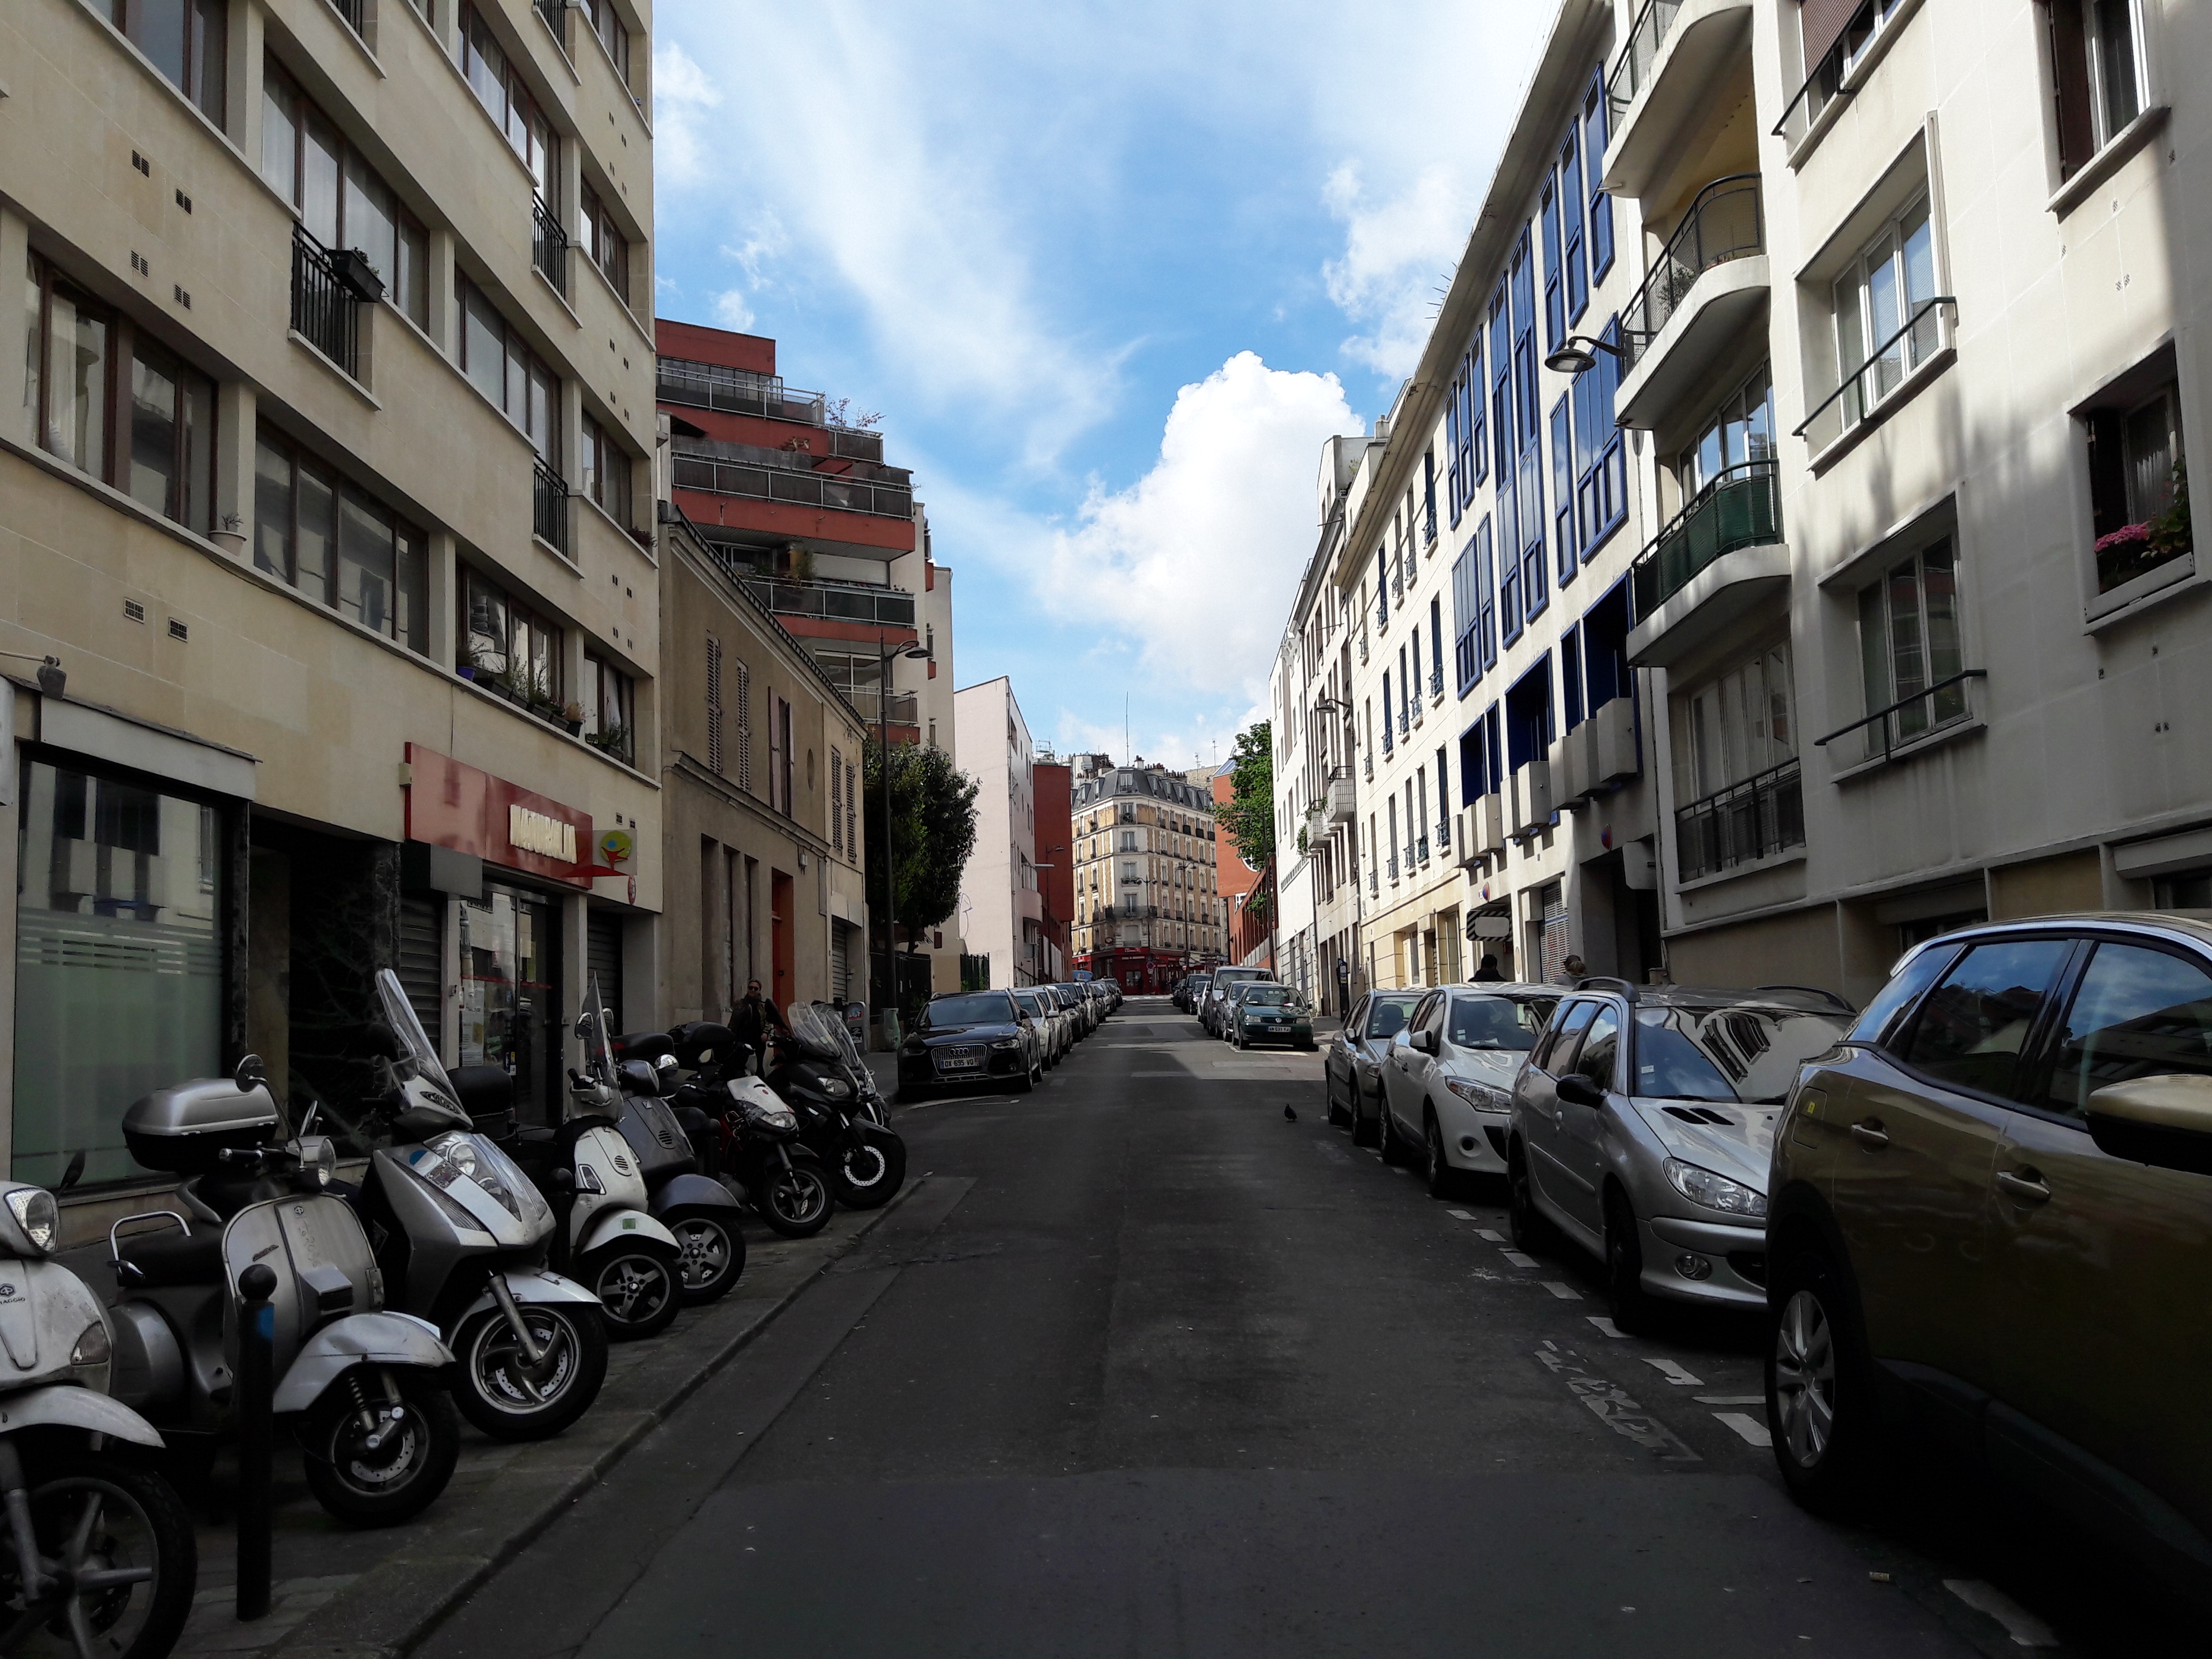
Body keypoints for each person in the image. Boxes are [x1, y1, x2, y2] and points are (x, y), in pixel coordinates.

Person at [729, 979, 789, 1073]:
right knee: (740, 1064)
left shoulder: (763, 1006)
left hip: (758, 1039)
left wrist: (766, 1033)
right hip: (742, 1039)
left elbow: (768, 1021)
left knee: (760, 1067)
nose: (753, 990)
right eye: (751, 988)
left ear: (759, 991)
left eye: (755, 989)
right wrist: (731, 1036)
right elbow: (733, 1021)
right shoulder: (740, 1004)